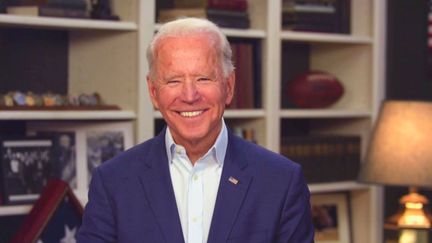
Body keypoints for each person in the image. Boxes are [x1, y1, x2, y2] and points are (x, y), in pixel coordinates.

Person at [77, 17, 314, 243]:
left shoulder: (282, 182)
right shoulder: (113, 182)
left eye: (203, 78)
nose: (189, 96)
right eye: (173, 81)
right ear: (153, 92)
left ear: (229, 87)